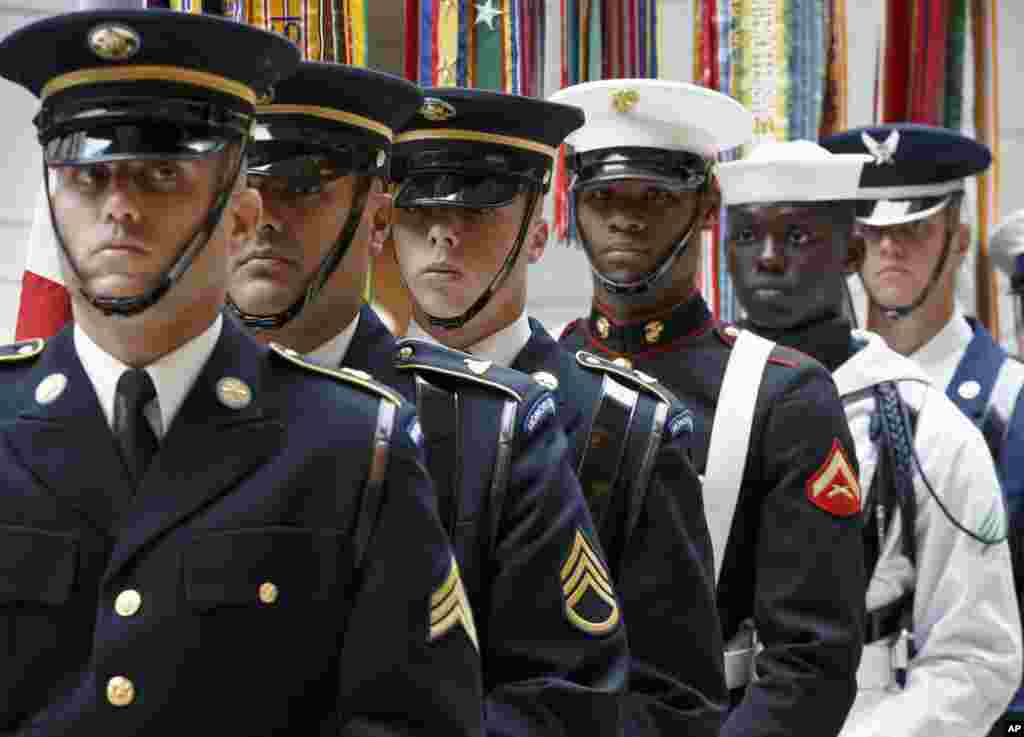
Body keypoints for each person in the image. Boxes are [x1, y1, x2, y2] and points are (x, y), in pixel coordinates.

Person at [0, 11, 485, 735]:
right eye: (88, 175)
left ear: (239, 216)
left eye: (162, 174)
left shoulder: (354, 448)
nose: (119, 206)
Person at [225, 65, 633, 737]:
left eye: (300, 189)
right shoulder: (151, 406)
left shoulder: (490, 425)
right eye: (248, 189)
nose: (264, 219)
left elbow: (566, 696)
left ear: (376, 217)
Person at [386, 86, 728, 737]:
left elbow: (676, 703)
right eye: (417, 207)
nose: (442, 232)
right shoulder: (349, 407)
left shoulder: (624, 429)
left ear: (538, 234)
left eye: (478, 210)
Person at [550, 79, 866, 737]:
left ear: (708, 205)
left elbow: (809, 663)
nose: (625, 217)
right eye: (604, 194)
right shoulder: (537, 379)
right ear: (573, 202)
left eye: (656, 196)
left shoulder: (783, 395)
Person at [718, 139, 1023, 737]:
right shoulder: (684, 403)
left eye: (800, 236)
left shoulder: (925, 426)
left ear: (848, 252)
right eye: (747, 237)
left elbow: (977, 655)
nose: (770, 260)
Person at [822, 125, 1024, 732]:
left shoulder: (1008, 402)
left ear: (958, 240)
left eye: (914, 228)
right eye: (874, 230)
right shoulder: (819, 392)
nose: (890, 248)